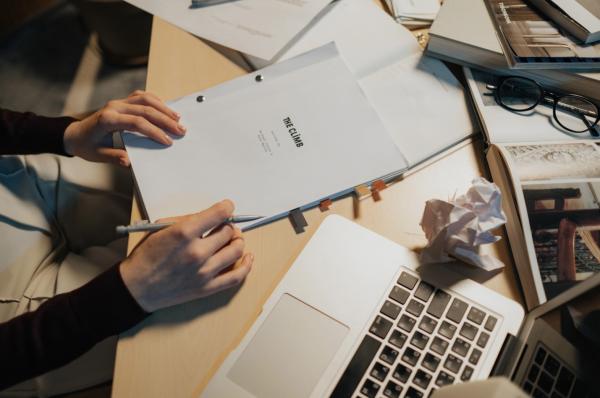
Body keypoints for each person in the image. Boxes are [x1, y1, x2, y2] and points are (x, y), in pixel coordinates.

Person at [0, 91, 254, 394]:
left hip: (14, 179)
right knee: (221, 311)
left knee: (182, 174)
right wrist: (130, 292)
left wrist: (66, 134)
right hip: (21, 318)